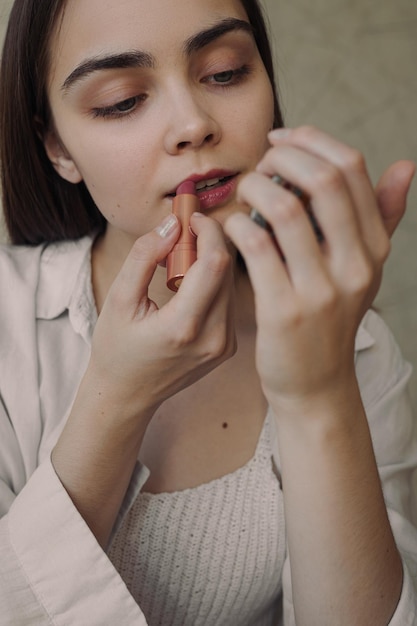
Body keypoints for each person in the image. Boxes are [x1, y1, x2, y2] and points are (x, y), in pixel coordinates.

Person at [0, 0, 416, 624]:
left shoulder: (352, 342)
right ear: (58, 147)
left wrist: (319, 391)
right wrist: (116, 397)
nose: (193, 124)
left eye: (224, 72)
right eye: (121, 101)